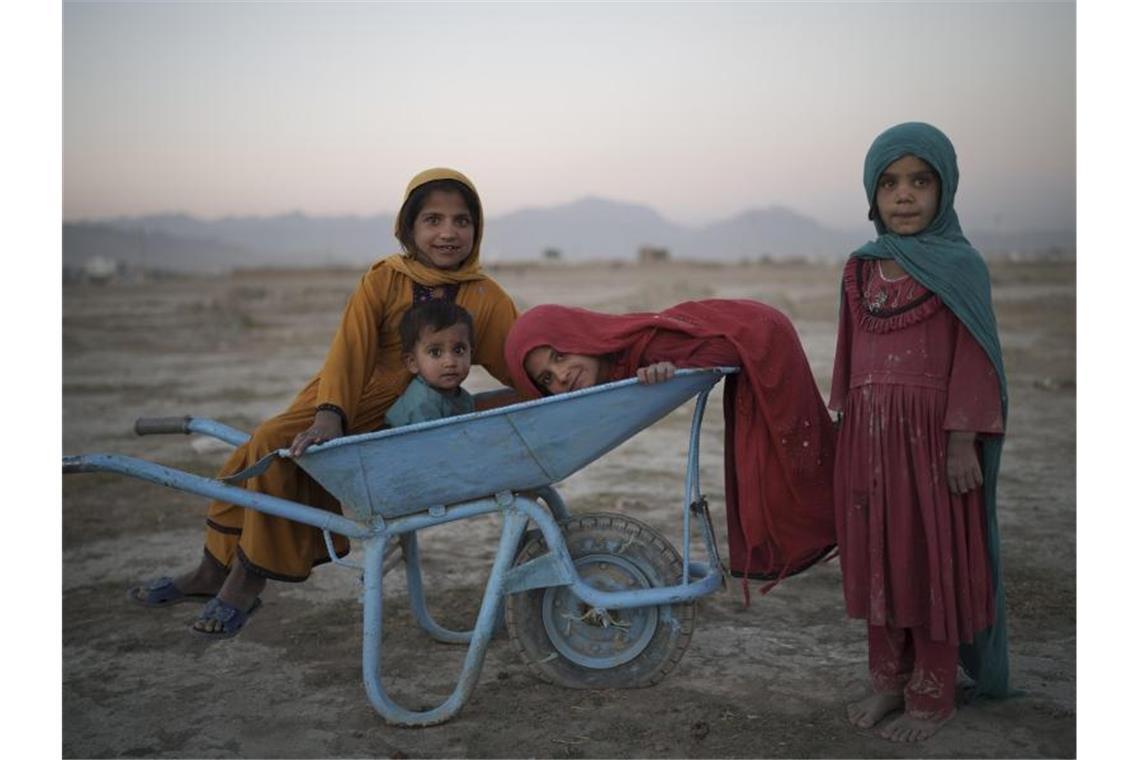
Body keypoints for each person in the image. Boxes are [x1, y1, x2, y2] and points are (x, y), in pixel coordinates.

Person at [127, 168, 518, 638]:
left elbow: (518, 361)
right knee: (260, 448)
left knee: (271, 447)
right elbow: (348, 350)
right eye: (433, 220)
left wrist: (577, 379)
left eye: (461, 221)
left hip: (401, 421)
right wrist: (330, 414)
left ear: (477, 229)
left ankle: (244, 581)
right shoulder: (384, 279)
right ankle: (214, 570)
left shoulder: (485, 297)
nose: (448, 233)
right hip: (341, 394)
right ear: (409, 228)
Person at [829, 122, 1013, 742]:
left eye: (919, 181)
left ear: (945, 188)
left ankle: (932, 695)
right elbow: (850, 357)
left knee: (928, 561)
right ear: (872, 194)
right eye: (889, 183)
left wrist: (964, 439)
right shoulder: (861, 269)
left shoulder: (961, 267)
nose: (903, 195)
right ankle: (888, 679)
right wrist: (848, 429)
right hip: (869, 443)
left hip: (933, 446)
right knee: (878, 555)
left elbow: (977, 356)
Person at [504, 298, 836, 594]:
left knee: (792, 449)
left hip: (758, 332)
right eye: (546, 379)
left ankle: (833, 520)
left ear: (580, 336)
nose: (560, 376)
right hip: (746, 326)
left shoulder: (644, 344)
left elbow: (718, 350)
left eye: (559, 356)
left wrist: (674, 367)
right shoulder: (618, 363)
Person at [384, 300, 476, 427]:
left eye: (458, 350)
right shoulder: (422, 405)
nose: (450, 362)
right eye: (435, 352)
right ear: (413, 362)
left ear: (470, 353)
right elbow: (432, 445)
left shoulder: (463, 397)